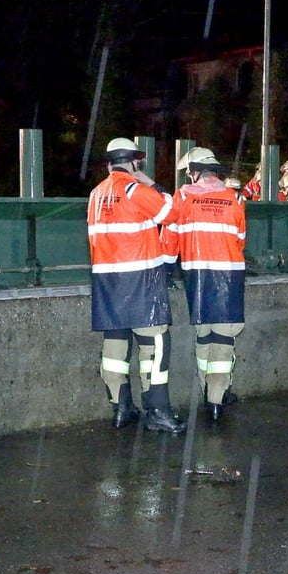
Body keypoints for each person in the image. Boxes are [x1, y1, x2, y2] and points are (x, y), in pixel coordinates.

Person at [87, 137, 187, 433]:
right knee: (155, 345)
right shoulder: (134, 189)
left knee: (115, 347)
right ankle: (158, 411)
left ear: (108, 163)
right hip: (141, 278)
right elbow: (173, 214)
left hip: (107, 281)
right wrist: (152, 184)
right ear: (134, 162)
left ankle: (121, 409)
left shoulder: (96, 194)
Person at [166, 147, 247, 422]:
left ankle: (207, 391)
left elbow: (171, 237)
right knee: (224, 337)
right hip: (230, 273)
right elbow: (240, 237)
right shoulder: (235, 197)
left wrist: (167, 268)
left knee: (204, 334)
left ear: (194, 172)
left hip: (196, 273)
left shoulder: (183, 197)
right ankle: (217, 398)